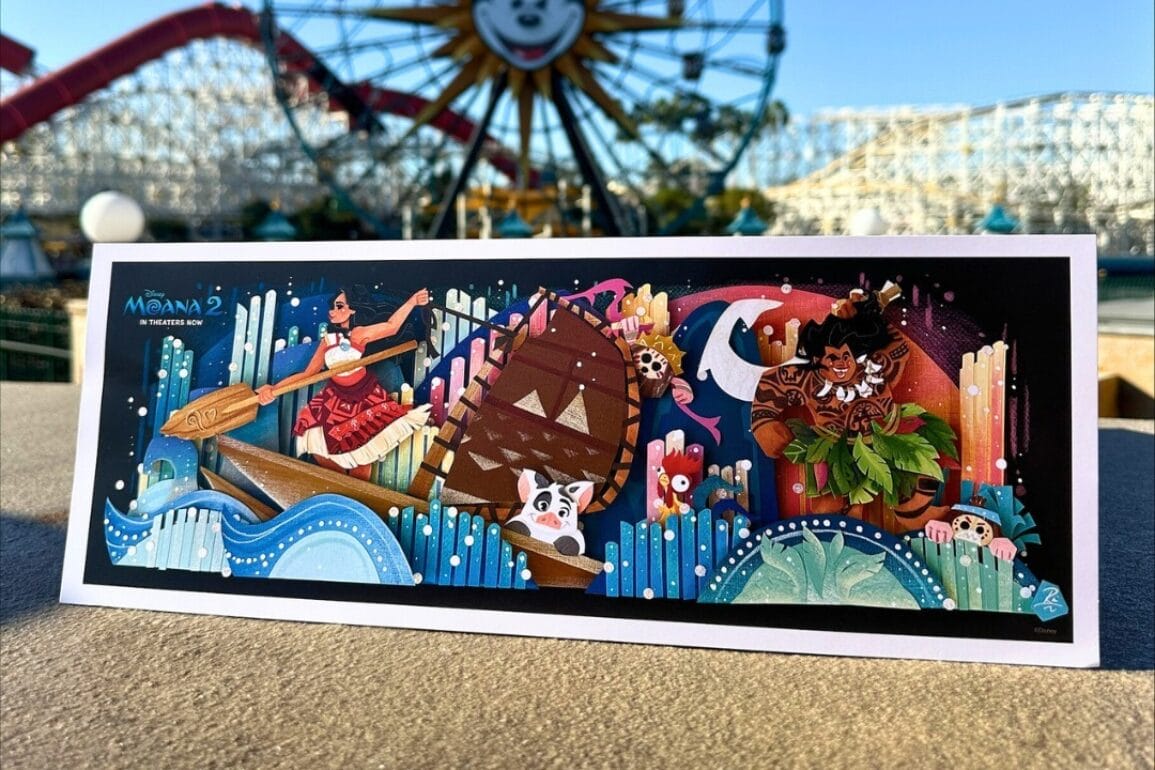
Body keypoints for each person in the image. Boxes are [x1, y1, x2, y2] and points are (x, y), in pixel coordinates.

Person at [750, 285, 957, 519]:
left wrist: (865, 317)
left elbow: (898, 346)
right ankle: (838, 533)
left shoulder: (875, 368)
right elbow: (773, 382)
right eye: (832, 357)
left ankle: (915, 515)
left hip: (888, 440)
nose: (841, 363)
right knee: (830, 504)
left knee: (918, 466)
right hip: (836, 451)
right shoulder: (808, 379)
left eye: (846, 356)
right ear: (818, 357)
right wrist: (763, 422)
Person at [257, 287, 432, 481]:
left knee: (364, 444)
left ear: (354, 309)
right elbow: (308, 374)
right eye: (332, 307)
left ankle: (360, 488)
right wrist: (274, 389)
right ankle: (339, 483)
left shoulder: (358, 334)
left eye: (339, 306)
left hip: (364, 395)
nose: (332, 311)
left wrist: (412, 302)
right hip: (336, 397)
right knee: (314, 436)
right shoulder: (328, 340)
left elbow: (392, 326)